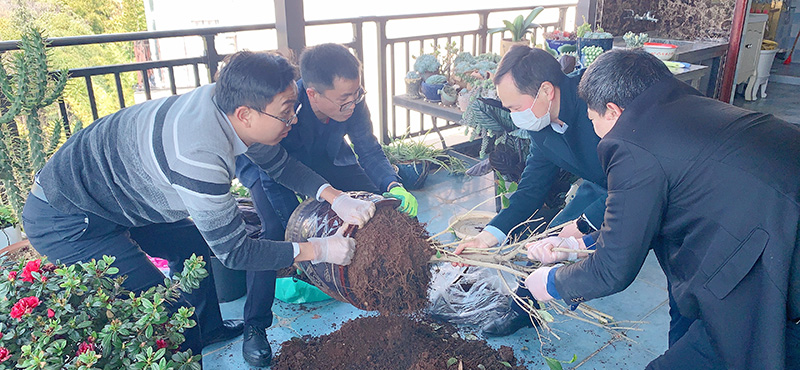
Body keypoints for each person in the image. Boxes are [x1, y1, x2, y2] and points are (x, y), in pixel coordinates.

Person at [21, 51, 377, 363]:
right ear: (246, 114)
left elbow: (280, 165)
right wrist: (319, 249)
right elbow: (236, 253)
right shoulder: (201, 158)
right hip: (70, 217)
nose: (294, 120)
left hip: (114, 196)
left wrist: (335, 197)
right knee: (171, 315)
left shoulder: (223, 105)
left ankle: (210, 329)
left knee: (195, 246)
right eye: (287, 112)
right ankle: (193, 346)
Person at [524, 48, 800, 369]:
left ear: (612, 111)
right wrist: (578, 246)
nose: (595, 129)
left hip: (771, 257)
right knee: (686, 320)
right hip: (763, 222)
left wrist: (552, 283)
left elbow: (615, 269)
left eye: (592, 119)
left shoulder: (629, 143)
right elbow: (638, 221)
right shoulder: (683, 103)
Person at [233, 43, 418, 366]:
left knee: (379, 204)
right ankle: (255, 327)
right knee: (273, 229)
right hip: (268, 165)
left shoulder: (352, 102)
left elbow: (368, 148)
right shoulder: (286, 107)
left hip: (324, 158)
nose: (353, 103)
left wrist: (393, 185)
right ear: (314, 94)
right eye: (344, 99)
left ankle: (399, 282)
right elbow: (276, 173)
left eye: (356, 94)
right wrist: (300, 229)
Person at [454, 45, 608, 337]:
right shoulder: (542, 125)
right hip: (600, 186)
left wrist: (587, 223)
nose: (514, 117)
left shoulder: (596, 104)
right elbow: (530, 189)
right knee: (548, 243)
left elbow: (635, 181)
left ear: (546, 90)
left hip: (640, 186)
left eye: (515, 107)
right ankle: (523, 309)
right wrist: (489, 236)